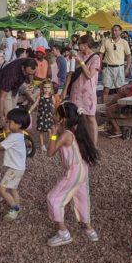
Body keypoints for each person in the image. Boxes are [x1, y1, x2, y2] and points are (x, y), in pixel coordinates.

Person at [45, 101, 100, 247]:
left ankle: (63, 233)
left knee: (53, 198)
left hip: (74, 173)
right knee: (82, 198)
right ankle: (89, 229)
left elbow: (50, 152)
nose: (53, 115)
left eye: (56, 113)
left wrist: (53, 135)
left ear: (62, 119)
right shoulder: (76, 129)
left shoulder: (66, 135)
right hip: (83, 170)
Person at [63, 35, 101, 148]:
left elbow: (89, 75)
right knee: (74, 116)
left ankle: (93, 144)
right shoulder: (77, 55)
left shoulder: (96, 58)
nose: (77, 45)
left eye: (79, 43)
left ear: (85, 45)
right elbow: (70, 74)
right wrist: (65, 90)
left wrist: (82, 62)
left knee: (90, 117)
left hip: (88, 92)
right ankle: (75, 141)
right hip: (75, 91)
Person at [0, 57, 37, 127]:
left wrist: (30, 83)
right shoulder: (11, 74)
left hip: (14, 87)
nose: (30, 75)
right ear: (23, 68)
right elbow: (2, 98)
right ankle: (8, 136)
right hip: (0, 86)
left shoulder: (29, 63)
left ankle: (7, 131)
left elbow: (31, 73)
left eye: (32, 73)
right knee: (9, 115)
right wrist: (0, 117)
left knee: (14, 114)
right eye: (28, 74)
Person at [101, 24, 131, 106]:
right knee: (106, 89)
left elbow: (128, 55)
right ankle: (104, 107)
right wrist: (99, 66)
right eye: (113, 30)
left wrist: (127, 68)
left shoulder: (124, 42)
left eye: (116, 30)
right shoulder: (106, 41)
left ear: (120, 32)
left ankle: (119, 108)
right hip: (107, 68)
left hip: (119, 68)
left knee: (120, 90)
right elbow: (101, 54)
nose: (114, 32)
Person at [31, 80, 57, 152]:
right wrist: (29, 111)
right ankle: (42, 145)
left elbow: (54, 107)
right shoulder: (40, 97)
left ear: (51, 88)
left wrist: (55, 115)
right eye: (45, 88)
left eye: (48, 87)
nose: (46, 89)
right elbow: (34, 104)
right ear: (42, 88)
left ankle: (51, 144)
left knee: (50, 130)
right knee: (41, 131)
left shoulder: (52, 97)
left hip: (49, 117)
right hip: (41, 117)